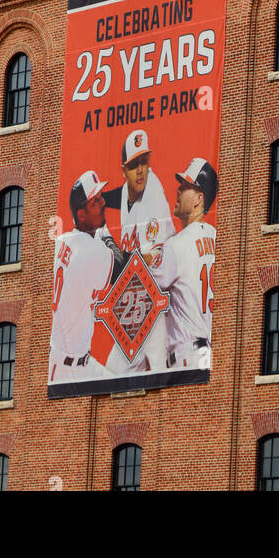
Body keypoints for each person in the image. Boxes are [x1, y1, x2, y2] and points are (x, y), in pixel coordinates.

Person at [102, 129, 175, 375]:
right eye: (134, 165)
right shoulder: (126, 191)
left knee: (160, 376)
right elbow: (114, 197)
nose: (141, 170)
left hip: (160, 302)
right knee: (111, 374)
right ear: (124, 170)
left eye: (144, 162)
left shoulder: (153, 191)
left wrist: (119, 260)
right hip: (139, 305)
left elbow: (152, 257)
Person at [145, 157, 217, 372]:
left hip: (187, 356)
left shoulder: (177, 245)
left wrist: (151, 253)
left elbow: (147, 282)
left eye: (185, 186)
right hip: (210, 353)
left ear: (198, 199)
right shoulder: (217, 237)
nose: (178, 190)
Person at [48, 170, 114, 388]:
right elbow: (121, 265)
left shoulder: (62, 240)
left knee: (117, 385)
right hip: (67, 370)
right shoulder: (89, 249)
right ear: (82, 215)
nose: (103, 202)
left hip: (78, 362)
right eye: (96, 201)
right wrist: (106, 235)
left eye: (101, 197)